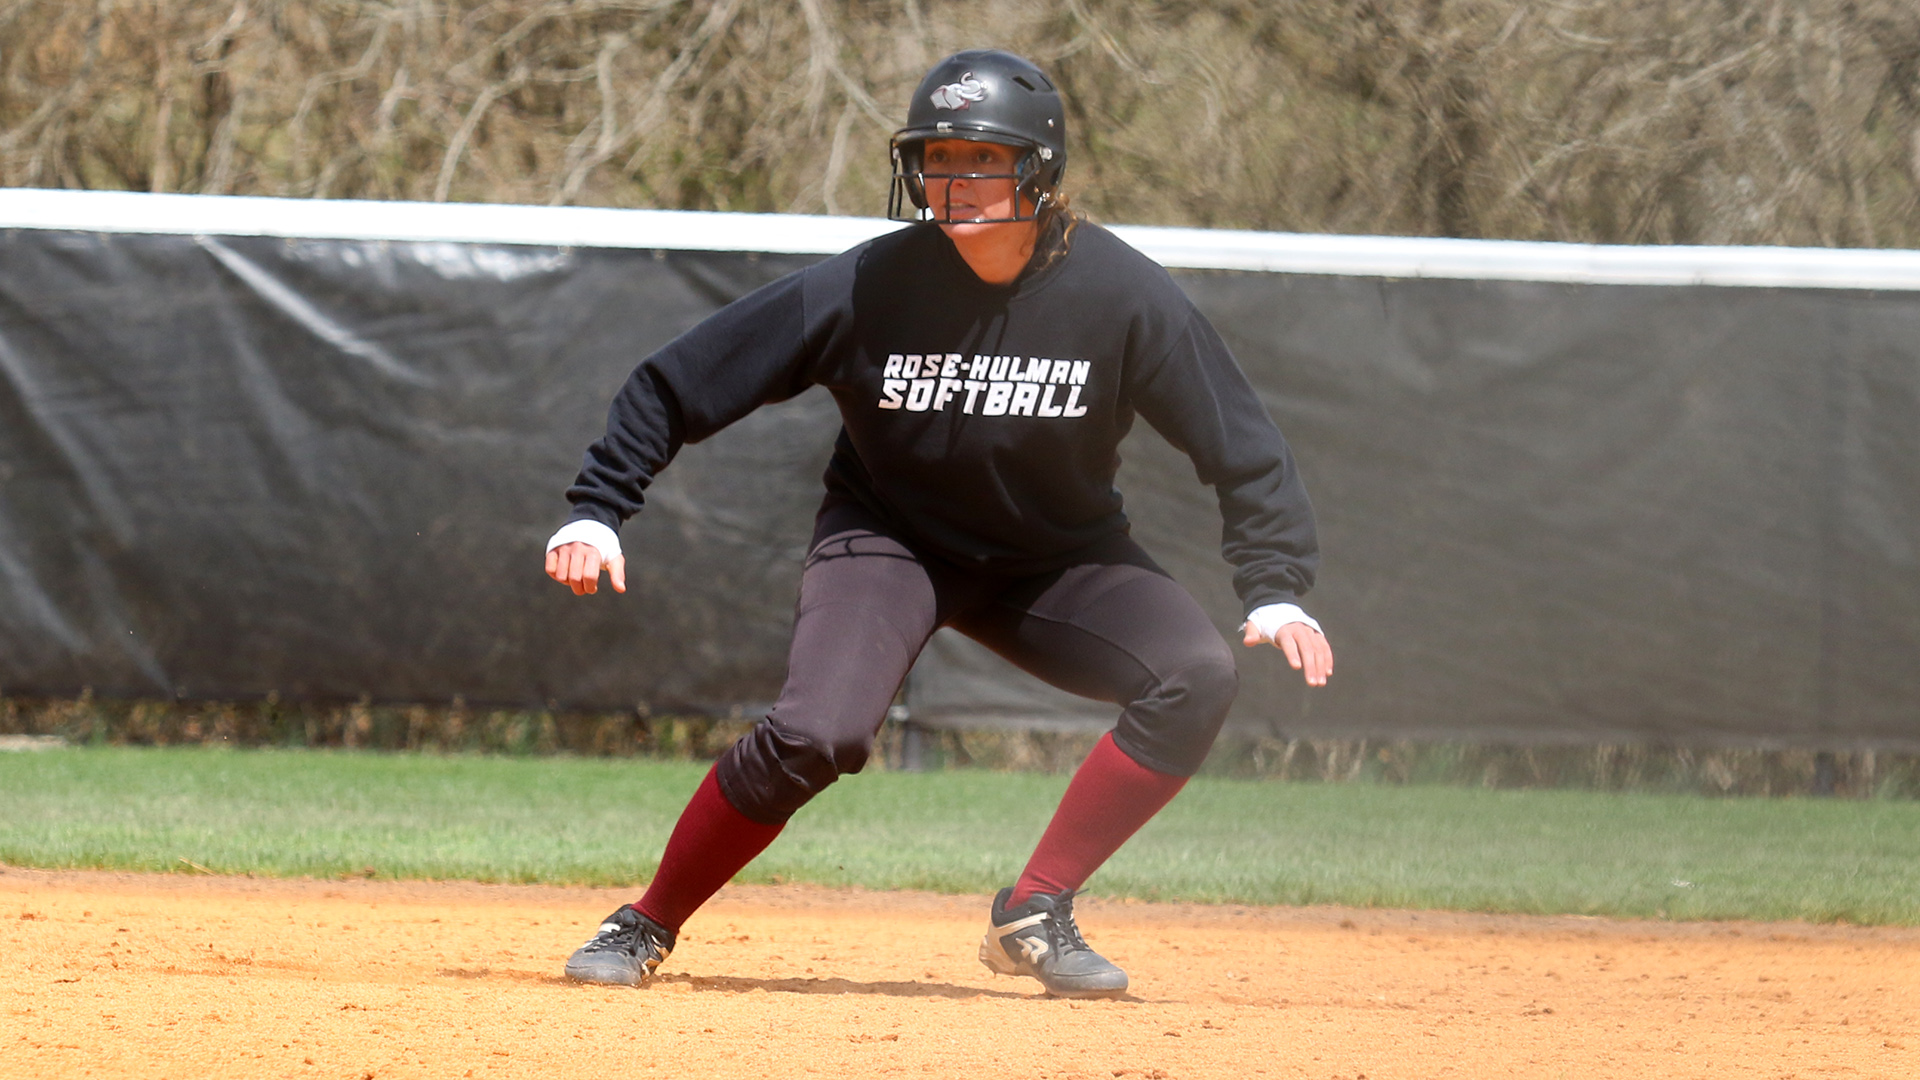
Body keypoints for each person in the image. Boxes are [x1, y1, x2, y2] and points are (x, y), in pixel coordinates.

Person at [543, 48, 1332, 999]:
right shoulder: (873, 283)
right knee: (818, 734)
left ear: (1039, 168)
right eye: (938, 159)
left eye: (982, 159)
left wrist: (1276, 584)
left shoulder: (1121, 294)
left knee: (1196, 675)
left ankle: (1034, 909)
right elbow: (680, 381)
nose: (954, 183)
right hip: (891, 541)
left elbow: (1239, 442)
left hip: (1057, 558)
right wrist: (597, 510)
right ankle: (644, 922)